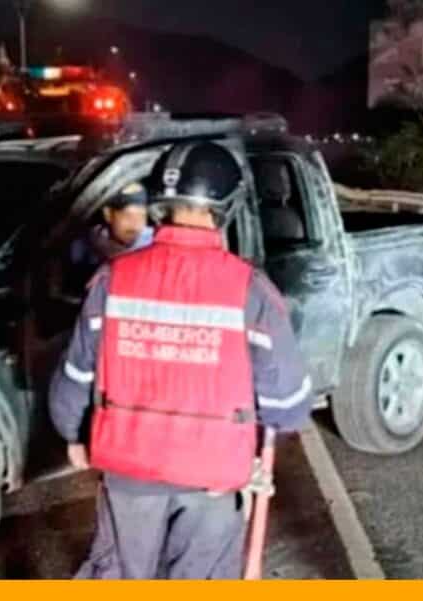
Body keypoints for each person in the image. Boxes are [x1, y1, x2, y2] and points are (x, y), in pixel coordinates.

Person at [49, 141, 312, 579]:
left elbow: (75, 376)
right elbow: (289, 405)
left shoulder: (112, 280)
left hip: (127, 466)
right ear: (224, 207)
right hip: (212, 476)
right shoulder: (251, 291)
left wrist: (74, 436)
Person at [70, 181, 154, 269]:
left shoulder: (153, 242)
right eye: (128, 216)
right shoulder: (84, 245)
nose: (135, 225)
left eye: (142, 216)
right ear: (108, 214)